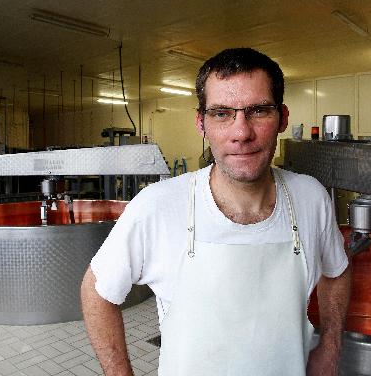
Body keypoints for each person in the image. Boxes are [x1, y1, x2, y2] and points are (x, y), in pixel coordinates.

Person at [81, 47, 351, 376]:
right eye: (222, 113)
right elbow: (97, 290)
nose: (242, 132)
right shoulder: (159, 205)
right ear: (201, 123)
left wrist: (331, 347)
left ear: (282, 118)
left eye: (258, 111)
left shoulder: (310, 198)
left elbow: (336, 273)